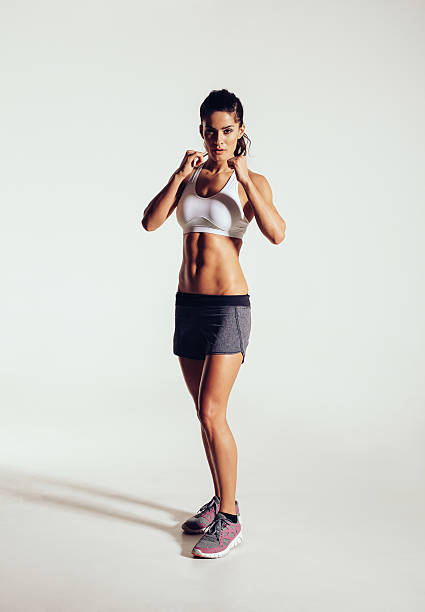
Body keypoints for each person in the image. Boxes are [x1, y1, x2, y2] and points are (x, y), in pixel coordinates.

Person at [142, 89, 286, 558]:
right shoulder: (190, 177)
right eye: (210, 129)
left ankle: (231, 519)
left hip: (228, 308)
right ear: (200, 130)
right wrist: (177, 175)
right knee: (203, 417)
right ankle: (222, 500)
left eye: (227, 130)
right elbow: (150, 222)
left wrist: (244, 176)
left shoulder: (250, 180)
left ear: (240, 130)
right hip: (188, 306)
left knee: (211, 413)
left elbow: (277, 233)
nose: (218, 138)